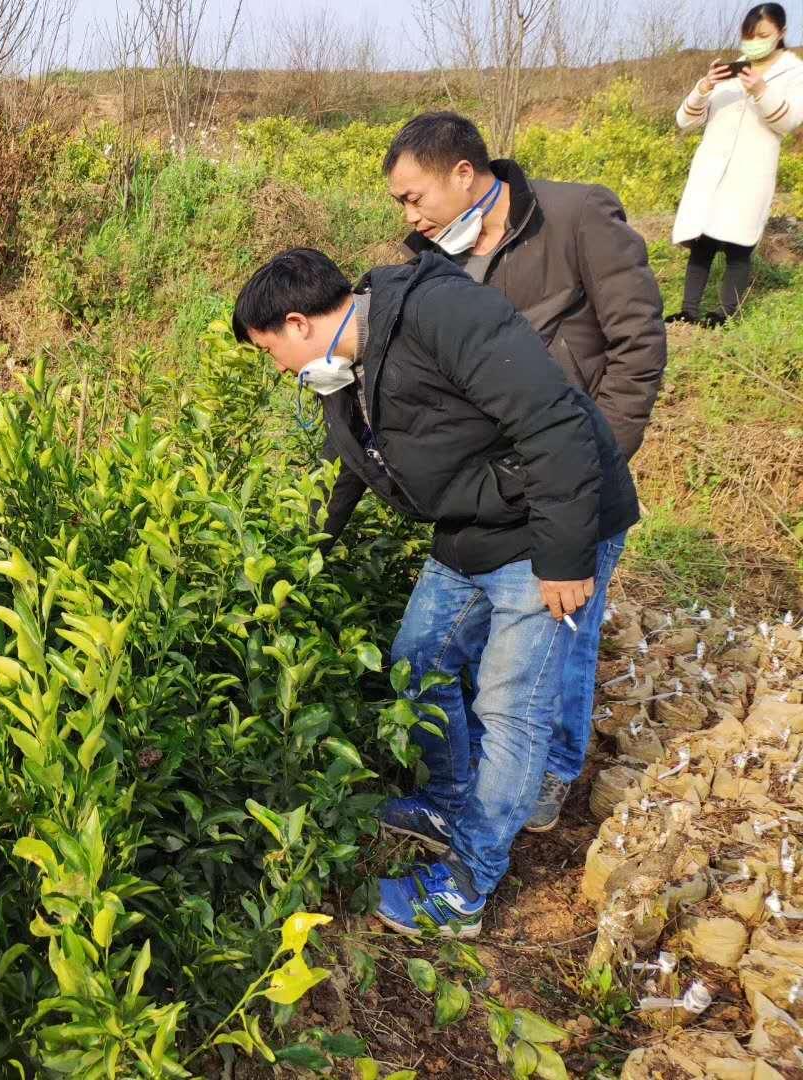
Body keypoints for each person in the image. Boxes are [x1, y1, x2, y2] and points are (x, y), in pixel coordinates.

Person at [233, 248, 639, 937]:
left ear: (298, 323)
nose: (279, 370)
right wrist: (303, 558)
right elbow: (349, 473)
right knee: (418, 662)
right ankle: (450, 799)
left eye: (271, 351)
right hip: (470, 525)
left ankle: (467, 885)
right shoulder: (344, 375)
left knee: (511, 709)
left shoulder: (440, 313)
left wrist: (567, 559)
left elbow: (556, 424)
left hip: (545, 532)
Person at [383, 111, 665, 833]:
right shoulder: (435, 255)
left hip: (574, 469)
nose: (409, 215)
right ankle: (500, 769)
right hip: (503, 482)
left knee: (566, 630)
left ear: (464, 174)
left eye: (414, 197)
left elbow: (638, 341)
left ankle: (556, 774)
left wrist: (599, 454)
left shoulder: (574, 215)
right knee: (517, 643)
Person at [670, 3, 803, 326]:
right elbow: (685, 121)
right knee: (702, 242)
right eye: (748, 35)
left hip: (750, 172)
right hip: (712, 169)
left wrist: (761, 91)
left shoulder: (794, 73)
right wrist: (704, 88)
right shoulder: (733, 71)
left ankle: (724, 315)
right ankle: (689, 311)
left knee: (737, 247)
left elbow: (788, 123)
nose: (754, 41)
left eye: (762, 35)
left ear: (781, 34)